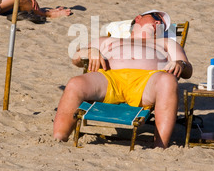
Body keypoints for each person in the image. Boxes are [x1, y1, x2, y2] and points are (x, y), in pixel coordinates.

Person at [53, 10, 193, 148]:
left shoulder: (166, 43)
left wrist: (180, 63)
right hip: (109, 79)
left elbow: (187, 70)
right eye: (156, 17)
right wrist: (90, 51)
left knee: (168, 81)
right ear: (138, 18)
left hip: (147, 82)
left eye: (162, 24)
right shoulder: (107, 40)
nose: (159, 22)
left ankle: (160, 146)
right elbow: (76, 58)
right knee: (75, 83)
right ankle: (59, 140)